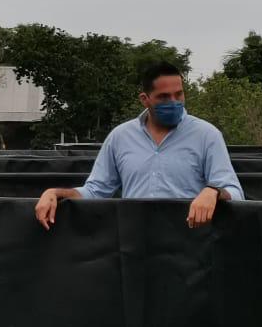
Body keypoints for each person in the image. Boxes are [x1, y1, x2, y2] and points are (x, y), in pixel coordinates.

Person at [34, 62, 243, 231]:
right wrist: (56, 193)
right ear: (145, 99)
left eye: (178, 94)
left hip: (190, 250)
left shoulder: (207, 136)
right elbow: (96, 191)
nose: (174, 101)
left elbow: (235, 192)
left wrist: (213, 192)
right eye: (163, 97)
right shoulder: (120, 137)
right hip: (134, 246)